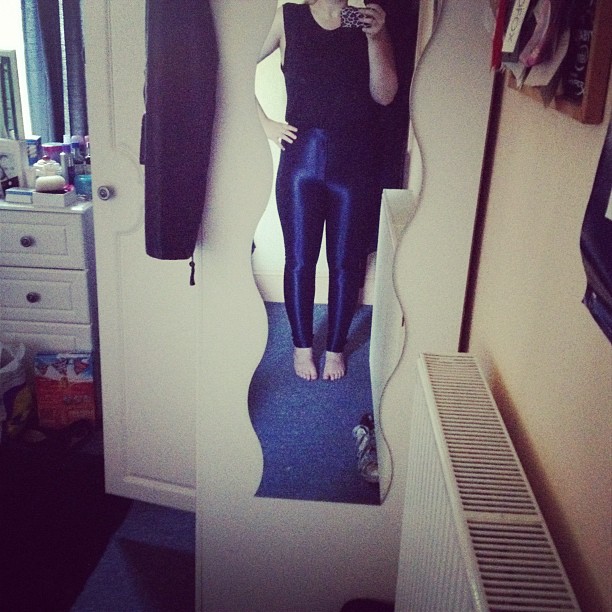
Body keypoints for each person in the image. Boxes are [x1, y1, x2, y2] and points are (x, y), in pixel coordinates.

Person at [257, 0, 397, 381]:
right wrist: (265, 123)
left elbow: (385, 94)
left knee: (346, 262)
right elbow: (235, 66)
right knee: (299, 260)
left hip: (354, 164)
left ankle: (335, 347)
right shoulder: (288, 16)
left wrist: (377, 37)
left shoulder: (366, 22)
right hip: (300, 163)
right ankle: (302, 346)